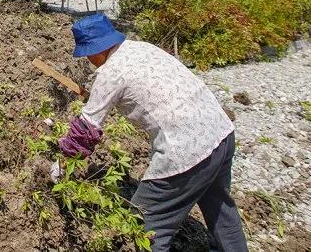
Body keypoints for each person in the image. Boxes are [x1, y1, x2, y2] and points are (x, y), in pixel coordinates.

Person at [54, 13, 247, 252]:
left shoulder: (111, 73)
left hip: (187, 151)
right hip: (220, 131)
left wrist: (61, 164)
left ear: (96, 50)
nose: (88, 60)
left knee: (142, 225)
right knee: (220, 211)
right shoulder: (143, 48)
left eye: (87, 54)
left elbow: (85, 130)